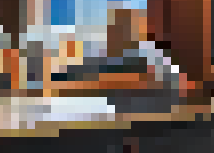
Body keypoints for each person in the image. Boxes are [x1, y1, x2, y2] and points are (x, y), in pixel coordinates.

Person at [52, 6, 194, 103]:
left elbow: (184, 85)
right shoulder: (101, 56)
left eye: (125, 28)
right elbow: (63, 79)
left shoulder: (149, 54)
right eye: (114, 28)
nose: (117, 33)